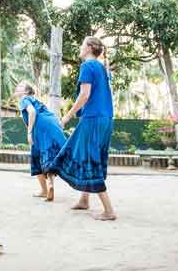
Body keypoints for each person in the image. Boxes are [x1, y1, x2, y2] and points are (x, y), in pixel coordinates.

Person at [50, 36, 117, 221]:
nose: (80, 48)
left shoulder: (87, 66)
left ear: (88, 48)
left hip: (93, 119)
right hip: (105, 119)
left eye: (81, 44)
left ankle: (109, 210)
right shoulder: (101, 68)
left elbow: (85, 94)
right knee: (89, 154)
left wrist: (67, 116)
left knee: (89, 158)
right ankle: (84, 199)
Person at [15, 81, 66, 201]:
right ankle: (50, 184)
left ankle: (44, 190)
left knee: (36, 156)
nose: (18, 87)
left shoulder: (24, 99)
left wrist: (29, 132)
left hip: (41, 126)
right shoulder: (35, 99)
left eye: (21, 86)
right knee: (49, 155)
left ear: (26, 92)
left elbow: (32, 112)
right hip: (53, 123)